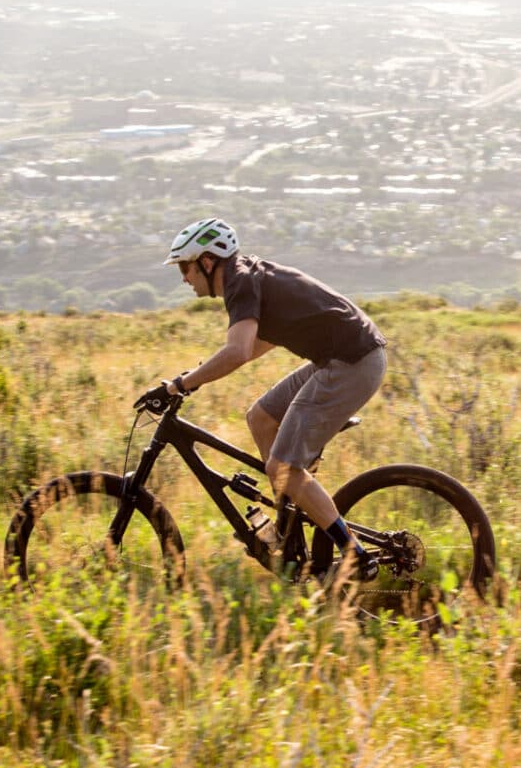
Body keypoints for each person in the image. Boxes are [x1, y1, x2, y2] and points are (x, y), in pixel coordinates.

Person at [153, 216, 387, 576]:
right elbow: (263, 340)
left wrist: (180, 384)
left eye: (185, 267)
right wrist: (195, 378)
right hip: (338, 358)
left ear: (207, 261)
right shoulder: (245, 276)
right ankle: (287, 529)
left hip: (352, 361)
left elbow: (239, 351)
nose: (183, 277)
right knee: (260, 418)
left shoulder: (239, 281)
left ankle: (356, 555)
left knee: (281, 468)